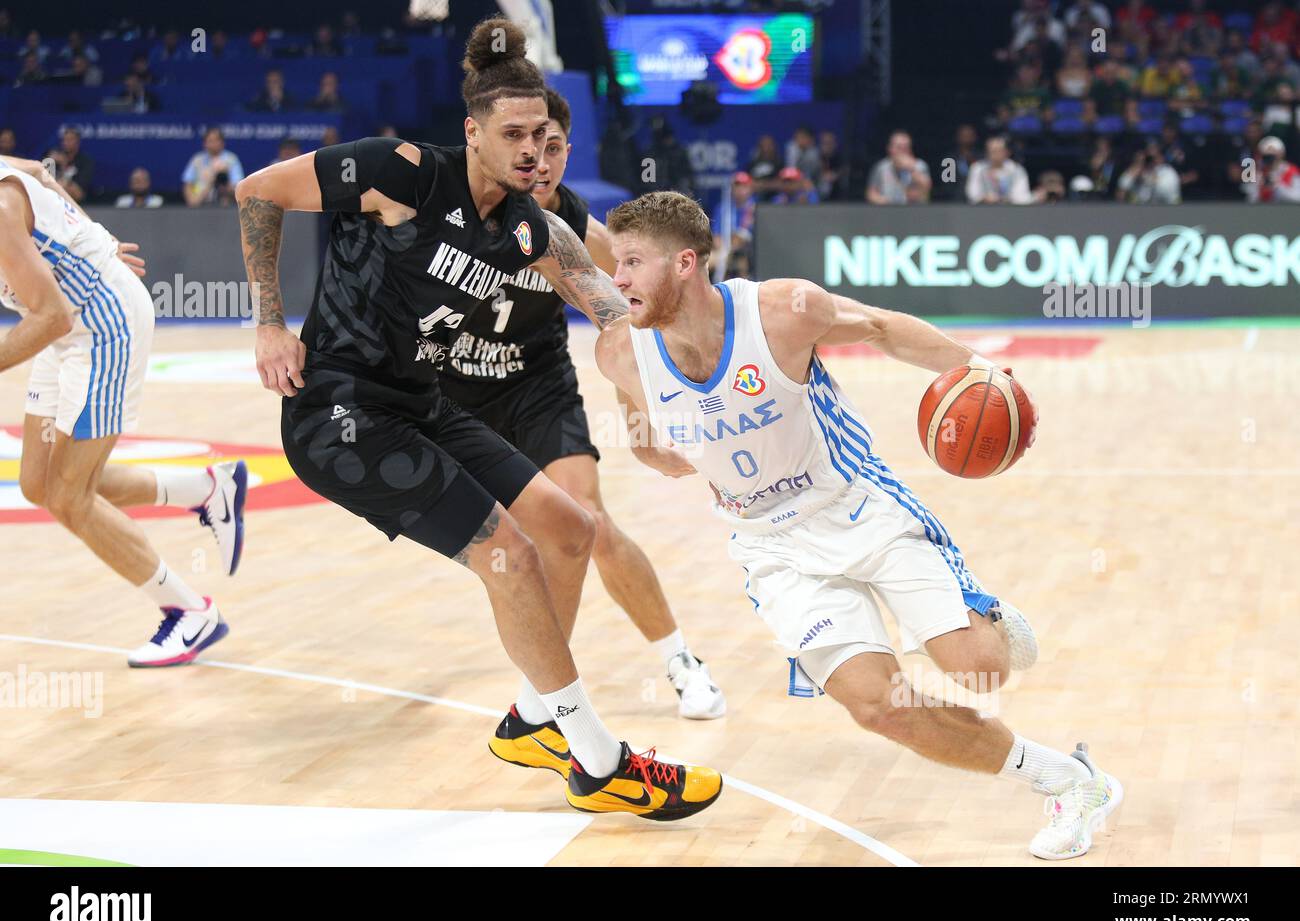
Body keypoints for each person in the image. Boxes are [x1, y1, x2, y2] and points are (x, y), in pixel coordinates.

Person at [234, 18, 722, 818]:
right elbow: (258, 190)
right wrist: (267, 320)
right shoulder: (402, 171)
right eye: (514, 134)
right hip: (339, 412)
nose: (532, 149)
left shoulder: (531, 224)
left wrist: (659, 407)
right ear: (474, 131)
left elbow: (607, 313)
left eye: (544, 135)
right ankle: (600, 762)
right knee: (511, 556)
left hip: (420, 403)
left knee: (570, 529)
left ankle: (533, 718)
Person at [593, 189, 1124, 859]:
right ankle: (1071, 781)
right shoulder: (619, 351)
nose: (618, 279)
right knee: (879, 707)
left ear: (685, 264)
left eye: (633, 262)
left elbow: (880, 329)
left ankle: (987, 620)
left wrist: (981, 372)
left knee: (982, 670)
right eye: (616, 263)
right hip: (772, 549)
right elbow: (641, 432)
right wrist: (657, 453)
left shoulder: (782, 311)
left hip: (859, 507)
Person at [438, 88, 726, 720]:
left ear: (569, 151)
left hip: (536, 385)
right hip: (449, 391)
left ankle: (679, 660)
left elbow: (627, 332)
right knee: (499, 547)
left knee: (588, 521)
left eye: (554, 147)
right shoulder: (456, 203)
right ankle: (542, 685)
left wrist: (639, 424)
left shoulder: (585, 237)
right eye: (527, 145)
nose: (539, 161)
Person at [0, 154, 246, 666]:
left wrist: (95, 250)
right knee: (39, 484)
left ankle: (189, 612)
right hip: (66, 328)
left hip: (100, 325)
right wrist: (96, 239)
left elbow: (53, 316)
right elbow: (43, 174)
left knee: (70, 497)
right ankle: (207, 489)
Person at [182, 127, 244, 207]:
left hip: (226, 207)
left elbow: (239, 189)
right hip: (201, 206)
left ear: (222, 142)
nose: (214, 143)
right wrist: (212, 180)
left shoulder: (231, 160)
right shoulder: (197, 160)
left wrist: (224, 184)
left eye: (217, 140)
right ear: (204, 143)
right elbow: (188, 184)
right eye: (210, 141)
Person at [866, 130, 931, 205]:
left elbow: (926, 189)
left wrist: (911, 169)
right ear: (890, 148)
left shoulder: (919, 166)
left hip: (914, 211)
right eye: (899, 147)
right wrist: (885, 202)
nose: (902, 151)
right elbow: (871, 194)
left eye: (906, 147)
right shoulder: (882, 167)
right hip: (887, 211)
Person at [966, 136, 1032, 204]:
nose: (995, 155)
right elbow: (972, 194)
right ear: (986, 153)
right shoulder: (977, 168)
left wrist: (1004, 199)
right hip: (982, 209)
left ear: (1007, 152)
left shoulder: (1017, 170)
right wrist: (984, 198)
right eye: (992, 151)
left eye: (999, 151)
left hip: (1011, 210)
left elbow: (1022, 196)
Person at [1245, 135, 1300, 202]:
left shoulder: (1291, 171)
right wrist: (1258, 187)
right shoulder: (1258, 173)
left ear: (1282, 153)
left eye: (1274, 155)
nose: (1271, 159)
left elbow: (1297, 198)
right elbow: (1250, 201)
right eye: (1267, 155)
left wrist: (1278, 185)